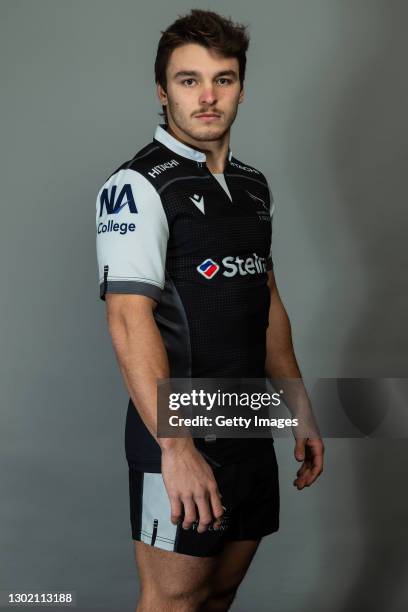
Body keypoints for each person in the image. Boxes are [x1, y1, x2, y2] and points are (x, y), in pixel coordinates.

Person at [95, 8, 324, 612]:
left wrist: (296, 408)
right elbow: (127, 318)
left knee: (219, 593)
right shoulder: (138, 185)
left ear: (241, 89)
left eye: (222, 79)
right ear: (162, 91)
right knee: (174, 601)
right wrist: (176, 447)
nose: (206, 96)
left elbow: (266, 300)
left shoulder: (254, 186)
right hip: (179, 426)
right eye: (188, 79)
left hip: (246, 416)